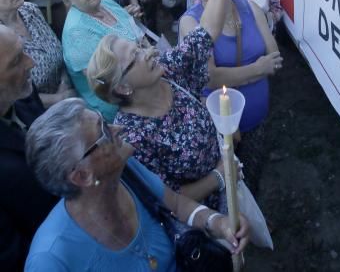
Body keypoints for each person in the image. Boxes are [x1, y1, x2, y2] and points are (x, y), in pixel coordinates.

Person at [24, 98, 249, 271]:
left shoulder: (127, 170)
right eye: (104, 132)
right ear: (83, 176)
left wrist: (218, 223)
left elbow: (177, 204)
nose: (118, 128)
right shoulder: (50, 260)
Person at [87, 0, 235, 208]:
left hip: (230, 183)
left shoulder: (166, 70)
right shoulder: (132, 136)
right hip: (204, 222)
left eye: (140, 47)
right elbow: (168, 199)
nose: (150, 52)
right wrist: (221, 176)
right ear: (122, 87)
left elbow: (208, 30)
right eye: (136, 56)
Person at [180, 0, 283, 193]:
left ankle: (255, 221)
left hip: (257, 118)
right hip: (221, 128)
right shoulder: (190, 23)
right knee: (227, 186)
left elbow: (275, 59)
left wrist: (237, 74)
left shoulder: (248, 6)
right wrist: (258, 68)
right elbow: (210, 77)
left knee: (253, 178)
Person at [58, 0, 146, 121]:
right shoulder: (76, 32)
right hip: (120, 103)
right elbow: (107, 82)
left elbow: (138, 34)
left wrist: (149, 53)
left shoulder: (107, 3)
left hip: (142, 75)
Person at [0, 25, 57, 271]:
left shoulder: (21, 91)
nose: (31, 63)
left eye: (24, 52)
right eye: (16, 62)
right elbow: (12, 257)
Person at [0, 0, 74, 107]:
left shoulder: (30, 10)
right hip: (38, 114)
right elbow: (11, 96)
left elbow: (59, 53)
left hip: (68, 92)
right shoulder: (2, 41)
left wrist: (65, 83)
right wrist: (59, 99)